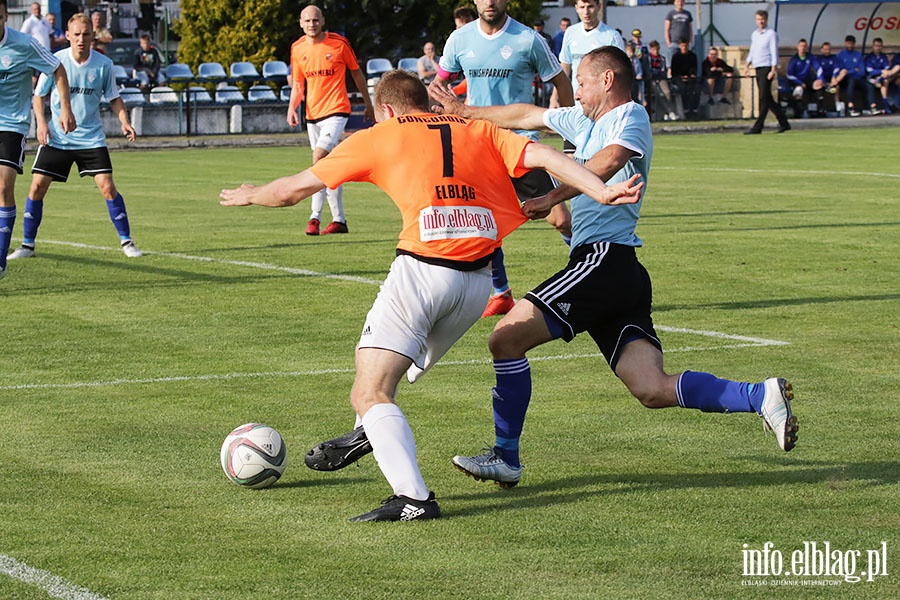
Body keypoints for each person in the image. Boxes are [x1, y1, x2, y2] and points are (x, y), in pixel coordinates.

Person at [324, 47, 800, 491]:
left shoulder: (628, 116)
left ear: (607, 80)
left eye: (583, 84)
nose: (576, 94)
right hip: (622, 270)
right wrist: (467, 114)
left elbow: (609, 162)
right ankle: (761, 396)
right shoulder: (584, 119)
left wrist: (553, 195)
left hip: (602, 259)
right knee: (651, 388)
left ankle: (505, 457)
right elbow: (528, 115)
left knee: (505, 338)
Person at [221, 69, 643, 521]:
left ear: (386, 110)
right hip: (477, 284)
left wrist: (250, 195)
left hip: (423, 273)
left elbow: (291, 192)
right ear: (425, 101)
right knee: (382, 381)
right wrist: (599, 190)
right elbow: (542, 154)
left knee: (370, 389)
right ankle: (371, 432)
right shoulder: (478, 129)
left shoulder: (379, 136)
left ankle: (413, 497)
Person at [429, 0, 575, 318]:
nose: (490, 2)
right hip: (477, 146)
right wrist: (438, 105)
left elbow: (561, 82)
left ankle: (593, 273)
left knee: (560, 219)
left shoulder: (528, 39)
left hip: (519, 143)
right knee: (483, 223)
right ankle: (500, 293)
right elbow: (439, 84)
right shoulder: (459, 39)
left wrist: (570, 133)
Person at [8, 13, 141, 262]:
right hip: (58, 137)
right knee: (37, 187)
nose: (81, 39)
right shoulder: (56, 61)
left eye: (86, 34)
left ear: (93, 36)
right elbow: (39, 96)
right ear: (67, 36)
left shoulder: (103, 64)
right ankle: (27, 245)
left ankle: (127, 241)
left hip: (90, 138)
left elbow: (114, 97)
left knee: (107, 187)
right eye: (76, 34)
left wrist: (124, 121)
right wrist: (41, 125)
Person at [0, 0, 75, 281]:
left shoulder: (24, 44)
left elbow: (57, 68)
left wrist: (65, 108)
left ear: (7, 16)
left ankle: (0, 261)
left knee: (3, 185)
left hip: (11, 124)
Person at [288, 5, 374, 237]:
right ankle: (339, 220)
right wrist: (292, 108)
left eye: (315, 20)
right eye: (307, 20)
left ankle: (314, 217)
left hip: (337, 110)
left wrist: (368, 103)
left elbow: (356, 73)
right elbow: (298, 84)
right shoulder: (297, 49)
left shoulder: (339, 44)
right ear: (301, 23)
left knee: (319, 159)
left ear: (323, 20)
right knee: (330, 167)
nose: (311, 24)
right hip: (312, 115)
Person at [559, 0, 624, 99]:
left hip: (602, 103)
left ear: (598, 6)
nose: (586, 12)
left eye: (590, 7)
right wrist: (555, 97)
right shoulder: (570, 32)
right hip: (576, 100)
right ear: (576, 8)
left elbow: (621, 72)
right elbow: (565, 67)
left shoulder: (611, 36)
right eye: (582, 7)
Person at [743, 10, 790, 134]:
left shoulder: (771, 34)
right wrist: (747, 65)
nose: (761, 21)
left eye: (762, 19)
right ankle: (784, 122)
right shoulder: (755, 34)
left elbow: (774, 52)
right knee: (767, 98)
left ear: (766, 19)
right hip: (758, 66)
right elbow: (752, 51)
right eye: (758, 19)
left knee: (763, 97)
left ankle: (758, 126)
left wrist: (773, 69)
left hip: (766, 66)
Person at [786, 39, 823, 118]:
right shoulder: (794, 59)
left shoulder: (810, 57)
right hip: (797, 81)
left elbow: (818, 68)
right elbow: (789, 75)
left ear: (807, 47)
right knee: (799, 90)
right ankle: (800, 111)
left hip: (808, 79)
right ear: (798, 47)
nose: (802, 48)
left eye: (804, 46)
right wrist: (800, 82)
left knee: (818, 85)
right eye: (801, 46)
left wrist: (820, 79)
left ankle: (819, 111)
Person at [669, 38, 701, 119]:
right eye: (683, 46)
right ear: (680, 46)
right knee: (683, 89)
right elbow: (674, 71)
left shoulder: (692, 56)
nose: (684, 47)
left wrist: (691, 75)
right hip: (678, 78)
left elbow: (694, 68)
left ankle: (694, 109)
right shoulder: (676, 57)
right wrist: (681, 77)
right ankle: (685, 109)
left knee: (696, 88)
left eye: (686, 45)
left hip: (690, 78)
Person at [647, 40, 677, 121]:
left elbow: (664, 71)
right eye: (654, 50)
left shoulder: (662, 58)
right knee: (658, 94)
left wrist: (659, 74)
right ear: (651, 49)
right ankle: (669, 112)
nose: (656, 51)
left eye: (657, 49)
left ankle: (665, 113)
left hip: (661, 78)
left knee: (667, 92)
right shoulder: (648, 58)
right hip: (651, 80)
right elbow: (648, 70)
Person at [837, 35, 865, 117]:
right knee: (850, 81)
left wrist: (848, 71)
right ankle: (850, 107)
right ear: (845, 43)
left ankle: (869, 107)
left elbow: (862, 71)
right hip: (844, 80)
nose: (850, 45)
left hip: (857, 79)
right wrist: (854, 70)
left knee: (868, 84)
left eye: (851, 44)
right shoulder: (840, 55)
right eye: (848, 43)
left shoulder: (858, 55)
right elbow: (841, 71)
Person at [864, 37, 892, 115]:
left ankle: (885, 104)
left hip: (882, 77)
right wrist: (880, 71)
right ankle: (875, 106)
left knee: (885, 80)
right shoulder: (869, 57)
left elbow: (886, 69)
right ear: (873, 46)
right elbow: (870, 71)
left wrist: (882, 75)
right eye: (876, 46)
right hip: (870, 78)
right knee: (872, 82)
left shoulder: (884, 57)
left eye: (879, 46)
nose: (878, 48)